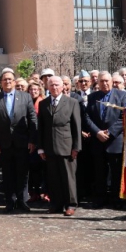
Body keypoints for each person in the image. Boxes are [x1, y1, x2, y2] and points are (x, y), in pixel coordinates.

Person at [0, 69, 37, 213]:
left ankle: (22, 200)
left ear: (14, 82)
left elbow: (33, 119)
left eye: (10, 79)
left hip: (22, 143)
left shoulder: (25, 97)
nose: (7, 82)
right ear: (1, 82)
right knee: (8, 175)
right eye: (5, 80)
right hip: (4, 145)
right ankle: (10, 201)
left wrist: (32, 140)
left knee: (22, 174)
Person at [37, 76, 81, 216]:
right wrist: (41, 148)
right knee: (53, 178)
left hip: (67, 147)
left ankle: (70, 205)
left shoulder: (72, 102)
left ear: (63, 87)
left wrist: (76, 147)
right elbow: (41, 127)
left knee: (68, 178)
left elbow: (76, 126)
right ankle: (56, 204)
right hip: (49, 147)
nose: (54, 87)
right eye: (51, 85)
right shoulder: (43, 104)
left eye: (57, 85)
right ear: (47, 87)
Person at [84, 72, 126, 209]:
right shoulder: (92, 97)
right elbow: (87, 117)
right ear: (97, 82)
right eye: (101, 81)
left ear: (112, 81)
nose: (104, 83)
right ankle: (100, 198)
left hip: (114, 140)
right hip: (97, 140)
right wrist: (97, 132)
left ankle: (116, 198)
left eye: (107, 81)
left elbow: (124, 116)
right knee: (99, 171)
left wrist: (110, 133)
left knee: (116, 172)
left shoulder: (121, 95)